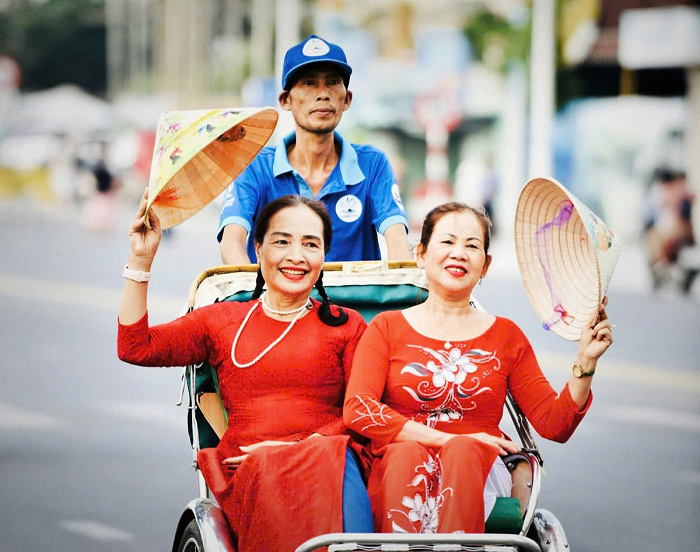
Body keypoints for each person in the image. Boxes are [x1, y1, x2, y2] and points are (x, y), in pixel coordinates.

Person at [118, 193, 373, 550]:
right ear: (258, 248)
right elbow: (135, 347)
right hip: (250, 469)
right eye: (282, 241)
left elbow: (361, 411)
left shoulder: (348, 326)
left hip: (330, 459)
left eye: (310, 244)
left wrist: (294, 447)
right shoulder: (223, 320)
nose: (296, 256)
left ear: (323, 256)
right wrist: (140, 259)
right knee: (267, 464)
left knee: (334, 458)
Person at [343, 202, 613, 534]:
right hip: (398, 466)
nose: (459, 253)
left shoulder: (505, 335)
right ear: (421, 254)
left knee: (465, 450)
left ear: (485, 265)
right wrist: (443, 438)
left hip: (478, 471)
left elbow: (554, 424)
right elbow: (358, 409)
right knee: (409, 456)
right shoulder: (386, 327)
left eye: (472, 246)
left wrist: (585, 362)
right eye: (447, 242)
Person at [218, 34, 412, 264]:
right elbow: (231, 242)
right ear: (285, 100)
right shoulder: (254, 166)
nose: (322, 94)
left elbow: (398, 241)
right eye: (309, 83)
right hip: (277, 299)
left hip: (353, 301)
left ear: (346, 99)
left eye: (332, 82)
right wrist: (256, 294)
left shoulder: (372, 164)